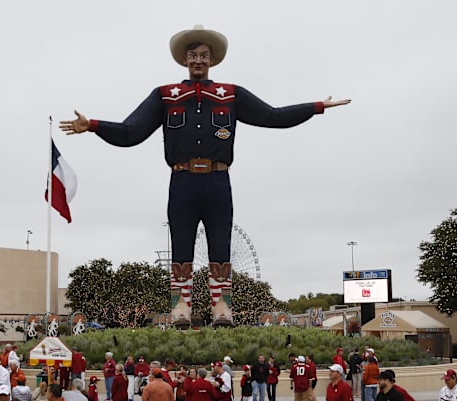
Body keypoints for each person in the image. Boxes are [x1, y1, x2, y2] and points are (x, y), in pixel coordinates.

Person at [59, 25, 350, 328]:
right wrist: (92, 125)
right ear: (184, 60)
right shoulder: (166, 96)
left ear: (212, 60)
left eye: (204, 56)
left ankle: (221, 305)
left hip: (218, 179)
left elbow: (272, 116)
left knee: (220, 244)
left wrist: (317, 107)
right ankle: (180, 305)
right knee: (181, 244)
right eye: (193, 55)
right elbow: (131, 132)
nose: (198, 61)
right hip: (181, 179)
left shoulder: (230, 94)